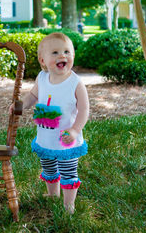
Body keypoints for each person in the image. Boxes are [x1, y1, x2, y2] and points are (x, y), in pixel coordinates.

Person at [9, 32, 89, 214]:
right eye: (55, 53)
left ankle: (69, 204)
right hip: (46, 137)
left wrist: (76, 130)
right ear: (42, 60)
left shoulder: (75, 83)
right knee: (49, 168)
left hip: (66, 139)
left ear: (73, 56)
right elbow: (33, 96)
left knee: (68, 172)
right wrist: (21, 105)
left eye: (67, 52)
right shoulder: (42, 78)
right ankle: (53, 194)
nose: (62, 56)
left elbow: (84, 110)